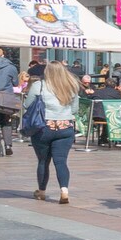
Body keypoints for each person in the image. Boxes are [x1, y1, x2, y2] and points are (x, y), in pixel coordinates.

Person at [26, 61, 81, 205]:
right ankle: (64, 190)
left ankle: (42, 191)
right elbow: (74, 109)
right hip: (65, 128)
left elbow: (28, 104)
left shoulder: (40, 85)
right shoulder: (72, 85)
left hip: (44, 128)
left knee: (43, 161)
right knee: (61, 161)